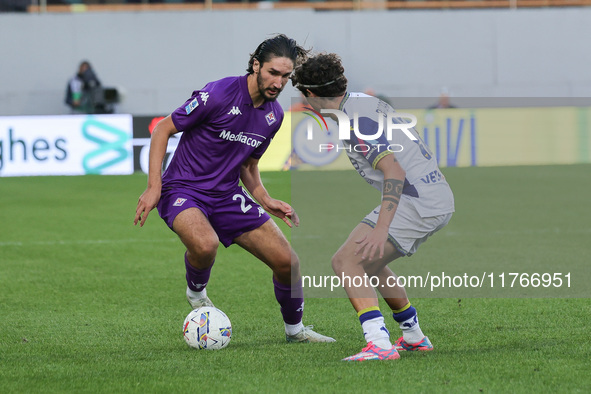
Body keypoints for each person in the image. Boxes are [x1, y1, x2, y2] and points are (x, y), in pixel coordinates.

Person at [134, 34, 335, 344]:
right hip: (184, 188)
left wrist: (266, 199)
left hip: (227, 195)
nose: (279, 83)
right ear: (256, 65)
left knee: (288, 262)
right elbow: (163, 128)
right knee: (205, 245)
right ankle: (196, 292)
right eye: (272, 73)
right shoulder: (218, 94)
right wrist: (154, 186)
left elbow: (248, 166)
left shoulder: (273, 116)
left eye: (285, 76)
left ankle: (296, 332)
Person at [292, 53, 454, 361]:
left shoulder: (352, 121)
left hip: (416, 199)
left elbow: (394, 170)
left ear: (311, 94)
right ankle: (413, 336)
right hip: (434, 194)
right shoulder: (364, 103)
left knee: (346, 262)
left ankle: (378, 343)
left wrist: (381, 230)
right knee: (370, 262)